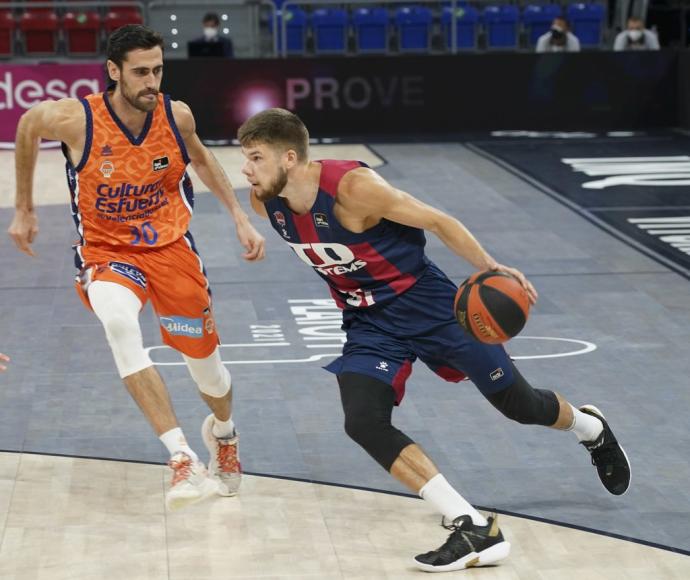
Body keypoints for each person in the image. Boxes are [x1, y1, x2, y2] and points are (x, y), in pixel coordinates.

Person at [237, 108, 631, 572]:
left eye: (255, 158)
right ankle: (470, 525)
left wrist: (490, 267)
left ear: (289, 157)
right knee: (362, 421)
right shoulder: (266, 202)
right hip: (369, 322)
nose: (246, 169)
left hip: (431, 307)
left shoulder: (355, 189)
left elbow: (439, 221)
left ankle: (591, 429)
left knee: (519, 405)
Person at [8, 24, 265, 510]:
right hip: (107, 253)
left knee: (208, 373)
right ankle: (180, 456)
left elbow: (203, 159)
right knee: (121, 324)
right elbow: (26, 124)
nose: (152, 81)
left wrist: (238, 217)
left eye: (158, 70)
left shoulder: (176, 114)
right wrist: (25, 207)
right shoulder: (78, 119)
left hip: (171, 249)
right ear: (114, 72)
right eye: (141, 72)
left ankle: (224, 436)